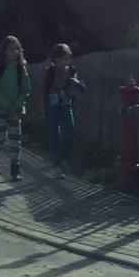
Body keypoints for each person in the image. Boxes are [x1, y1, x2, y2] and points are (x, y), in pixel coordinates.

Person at [0, 35, 31, 181]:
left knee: (15, 139)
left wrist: (16, 105)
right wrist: (7, 105)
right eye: (11, 49)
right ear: (4, 51)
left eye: (17, 49)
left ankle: (15, 168)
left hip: (16, 109)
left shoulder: (20, 69)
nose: (14, 52)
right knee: (0, 138)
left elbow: (26, 89)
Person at [43, 43, 87, 177]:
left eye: (67, 58)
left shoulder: (72, 71)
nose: (65, 62)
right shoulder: (50, 72)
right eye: (62, 59)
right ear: (55, 59)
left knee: (70, 130)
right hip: (53, 106)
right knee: (54, 133)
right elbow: (44, 90)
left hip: (66, 105)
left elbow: (76, 86)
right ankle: (56, 164)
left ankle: (64, 157)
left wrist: (75, 90)